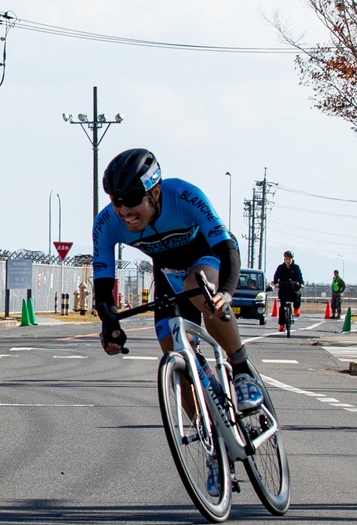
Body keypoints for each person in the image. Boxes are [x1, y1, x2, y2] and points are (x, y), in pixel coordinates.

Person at [92, 148, 265, 431]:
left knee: (197, 287)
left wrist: (227, 294)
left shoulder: (183, 194)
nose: (124, 211)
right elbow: (103, 287)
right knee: (174, 354)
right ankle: (209, 441)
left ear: (155, 194)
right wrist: (110, 325)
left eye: (133, 200)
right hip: (168, 274)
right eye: (116, 201)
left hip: (208, 259)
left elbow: (227, 248)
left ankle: (242, 369)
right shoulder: (107, 223)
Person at [272, 251, 304, 331]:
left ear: (292, 259)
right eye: (286, 259)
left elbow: (300, 277)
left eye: (289, 259)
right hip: (284, 289)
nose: (288, 261)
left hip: (293, 289)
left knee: (297, 295)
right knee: (282, 308)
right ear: (284, 259)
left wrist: (301, 284)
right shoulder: (281, 267)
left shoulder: (296, 267)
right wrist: (276, 283)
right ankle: (282, 325)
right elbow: (276, 276)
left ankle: (296, 309)